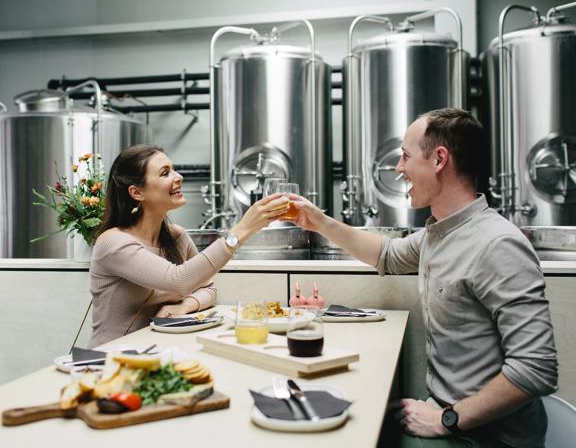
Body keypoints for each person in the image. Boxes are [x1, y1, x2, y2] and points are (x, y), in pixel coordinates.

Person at [283, 109, 558, 448]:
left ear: (440, 159)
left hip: (484, 436)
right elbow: (386, 254)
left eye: (406, 156)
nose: (399, 168)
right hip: (447, 414)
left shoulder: (497, 244)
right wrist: (320, 222)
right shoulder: (439, 233)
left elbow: (536, 369)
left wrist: (448, 418)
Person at [88, 144, 289, 347]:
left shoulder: (176, 236)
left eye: (173, 169)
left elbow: (208, 288)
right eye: (165, 173)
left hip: (154, 352)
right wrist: (241, 230)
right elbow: (180, 280)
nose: (179, 177)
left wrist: (184, 306)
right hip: (109, 359)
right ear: (137, 192)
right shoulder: (114, 244)